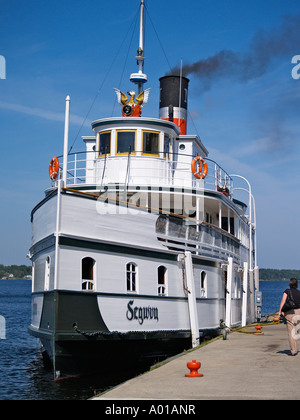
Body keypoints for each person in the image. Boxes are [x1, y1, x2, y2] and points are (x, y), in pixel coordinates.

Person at [279, 278, 300, 356]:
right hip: (299, 313)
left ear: (290, 284)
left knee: (291, 332)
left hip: (290, 313)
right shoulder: (299, 292)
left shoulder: (287, 291)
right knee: (297, 332)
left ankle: (293, 350)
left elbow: (283, 301)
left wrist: (280, 312)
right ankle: (296, 348)